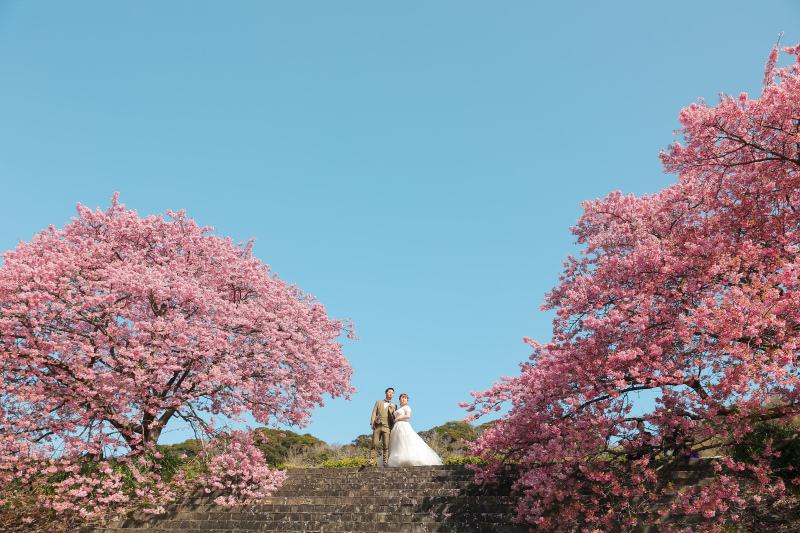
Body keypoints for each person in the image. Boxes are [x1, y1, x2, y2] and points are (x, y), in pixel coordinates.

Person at [386, 393, 442, 467]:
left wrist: (398, 419)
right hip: (396, 427)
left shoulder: (407, 407)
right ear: (399, 400)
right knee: (397, 442)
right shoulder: (397, 409)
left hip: (403, 424)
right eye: (402, 398)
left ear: (407, 400)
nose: (403, 399)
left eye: (405, 398)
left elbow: (408, 416)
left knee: (405, 441)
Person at [369, 387, 396, 467]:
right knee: (374, 444)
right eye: (389, 392)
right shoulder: (379, 402)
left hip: (387, 426)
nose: (391, 393)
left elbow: (394, 417)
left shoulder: (394, 405)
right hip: (377, 425)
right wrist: (372, 422)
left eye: (392, 393)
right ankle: (370, 462)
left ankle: (385, 462)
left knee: (386, 445)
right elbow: (374, 412)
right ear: (386, 393)